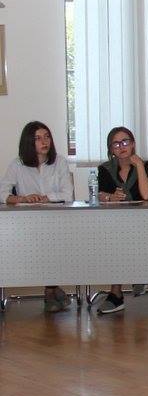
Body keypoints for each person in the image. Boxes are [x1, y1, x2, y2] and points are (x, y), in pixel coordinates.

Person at [1, 121, 74, 312]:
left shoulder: (60, 162)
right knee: (42, 243)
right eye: (38, 138)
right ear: (28, 142)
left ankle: (50, 291)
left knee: (52, 242)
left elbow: (68, 195)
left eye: (47, 137)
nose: (44, 141)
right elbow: (2, 193)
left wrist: (46, 197)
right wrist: (22, 198)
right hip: (28, 223)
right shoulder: (17, 164)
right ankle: (53, 289)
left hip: (57, 221)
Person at [95, 126, 148, 315]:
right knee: (116, 240)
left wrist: (139, 166)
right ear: (110, 149)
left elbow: (146, 195)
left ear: (133, 144)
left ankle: (129, 281)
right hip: (115, 222)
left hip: (143, 221)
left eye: (125, 142)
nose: (121, 147)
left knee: (125, 238)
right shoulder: (105, 169)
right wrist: (110, 197)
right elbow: (100, 194)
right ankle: (119, 291)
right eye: (116, 144)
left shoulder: (145, 165)